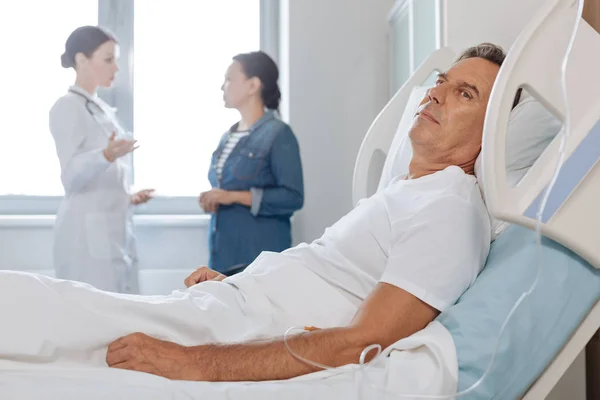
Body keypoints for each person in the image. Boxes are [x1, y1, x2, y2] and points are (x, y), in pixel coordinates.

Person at [2, 43, 502, 383]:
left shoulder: (448, 208)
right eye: (442, 81)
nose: (435, 92)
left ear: (495, 131)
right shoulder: (408, 191)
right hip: (237, 298)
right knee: (62, 308)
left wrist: (196, 362)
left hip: (240, 326)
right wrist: (234, 281)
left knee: (52, 309)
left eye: (465, 94)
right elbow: (326, 272)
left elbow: (362, 342)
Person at [49, 26, 155, 293]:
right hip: (85, 239)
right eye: (108, 59)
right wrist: (107, 154)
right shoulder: (67, 107)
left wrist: (127, 196)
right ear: (81, 60)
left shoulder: (102, 109)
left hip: (112, 231)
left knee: (122, 318)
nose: (116, 68)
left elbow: (101, 178)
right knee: (91, 322)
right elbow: (71, 178)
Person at [199, 51, 304, 275]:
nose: (222, 87)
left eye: (229, 79)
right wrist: (213, 199)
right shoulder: (227, 137)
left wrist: (232, 196)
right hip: (224, 257)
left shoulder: (278, 134)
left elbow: (292, 197)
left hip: (258, 261)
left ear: (253, 85)